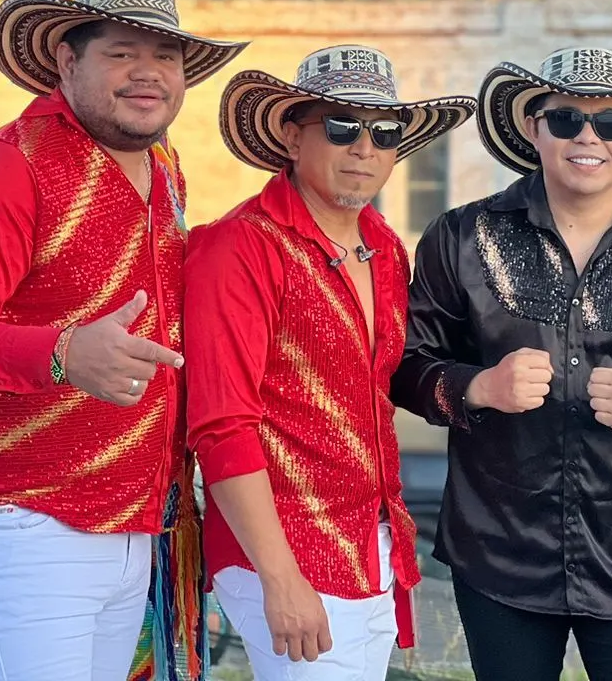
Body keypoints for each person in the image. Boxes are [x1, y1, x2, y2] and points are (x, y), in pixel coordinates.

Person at [0, 0, 246, 681]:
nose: (148, 73)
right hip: (18, 516)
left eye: (166, 56)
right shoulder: (6, 167)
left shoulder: (165, 167)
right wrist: (62, 353)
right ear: (66, 59)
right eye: (122, 53)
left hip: (133, 521)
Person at [393, 47, 612, 681]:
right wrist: (478, 387)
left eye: (610, 121)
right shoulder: (460, 238)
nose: (588, 137)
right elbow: (406, 368)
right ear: (535, 127)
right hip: (499, 554)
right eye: (566, 119)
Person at [185, 44, 476, 679]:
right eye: (342, 127)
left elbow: (388, 387)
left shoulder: (385, 248)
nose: (364, 148)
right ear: (292, 137)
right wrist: (280, 576)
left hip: (374, 544)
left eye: (384, 131)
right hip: (285, 551)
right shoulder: (240, 246)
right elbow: (221, 424)